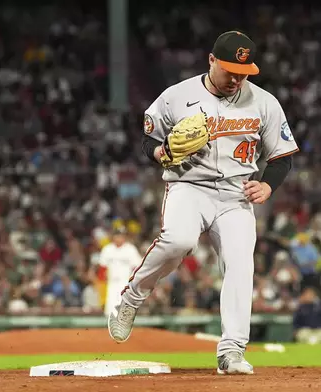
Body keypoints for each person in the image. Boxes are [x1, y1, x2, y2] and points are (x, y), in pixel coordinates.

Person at [107, 31, 298, 375]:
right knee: (179, 241)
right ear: (211, 61)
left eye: (243, 72)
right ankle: (133, 297)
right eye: (229, 70)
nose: (236, 79)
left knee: (240, 265)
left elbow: (282, 157)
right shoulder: (177, 96)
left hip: (236, 191)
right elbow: (147, 138)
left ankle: (232, 351)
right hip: (187, 185)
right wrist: (159, 152)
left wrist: (268, 186)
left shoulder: (264, 102)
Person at [97, 226, 141, 316]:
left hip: (125, 284)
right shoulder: (107, 249)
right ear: (113, 236)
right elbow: (102, 269)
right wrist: (102, 285)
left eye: (121, 235)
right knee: (110, 311)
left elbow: (137, 268)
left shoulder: (130, 249)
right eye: (117, 235)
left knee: (125, 312)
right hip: (111, 284)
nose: (119, 238)